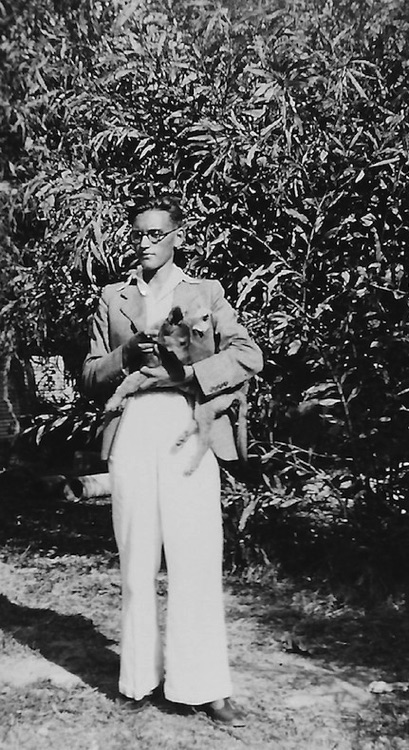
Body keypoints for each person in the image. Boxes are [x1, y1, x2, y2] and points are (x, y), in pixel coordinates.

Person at [82, 194, 263, 723]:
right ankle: (138, 679)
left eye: (156, 234)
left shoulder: (205, 292)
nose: (145, 243)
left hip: (190, 430)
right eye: (138, 233)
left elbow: (248, 354)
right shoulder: (113, 298)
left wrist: (188, 377)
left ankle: (203, 685)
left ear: (177, 237)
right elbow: (90, 376)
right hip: (133, 431)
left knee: (196, 557)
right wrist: (125, 355)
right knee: (136, 560)